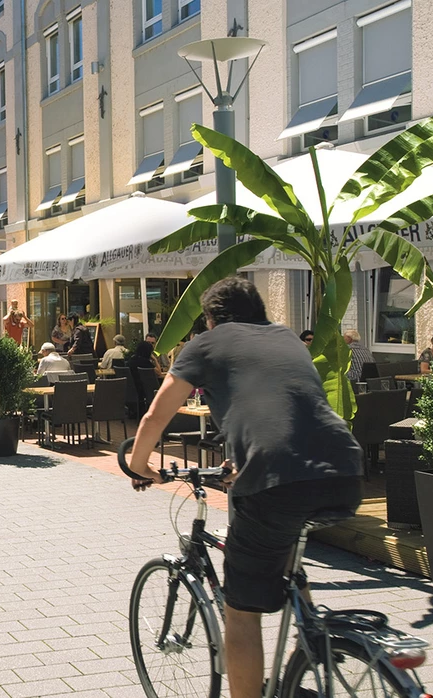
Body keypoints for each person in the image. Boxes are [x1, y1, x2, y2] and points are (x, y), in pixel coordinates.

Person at [125, 277, 362, 698]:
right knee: (284, 549)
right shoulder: (288, 338)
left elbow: (155, 417)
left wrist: (140, 466)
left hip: (277, 481)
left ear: (212, 319)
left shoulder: (206, 344)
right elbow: (280, 405)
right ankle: (312, 643)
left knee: (242, 612)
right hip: (344, 469)